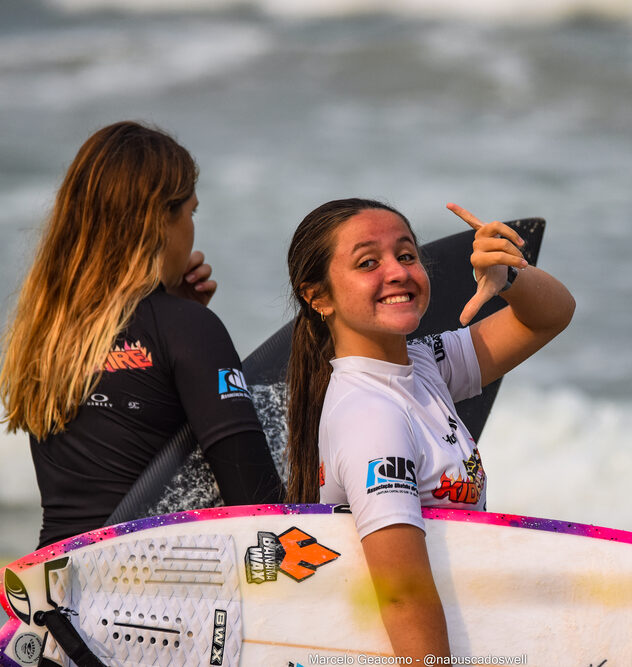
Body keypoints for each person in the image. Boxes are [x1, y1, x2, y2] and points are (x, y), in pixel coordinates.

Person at [285, 198, 575, 658]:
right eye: (367, 263)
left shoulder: (422, 365)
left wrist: (508, 276)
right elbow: (403, 595)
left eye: (405, 255)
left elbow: (551, 315)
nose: (397, 272)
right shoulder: (370, 414)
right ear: (318, 297)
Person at [0, 121, 282, 549]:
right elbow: (259, 504)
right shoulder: (185, 328)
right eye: (191, 211)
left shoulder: (46, 333)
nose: (191, 228)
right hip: (154, 596)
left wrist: (174, 314)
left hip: (53, 589)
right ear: (161, 220)